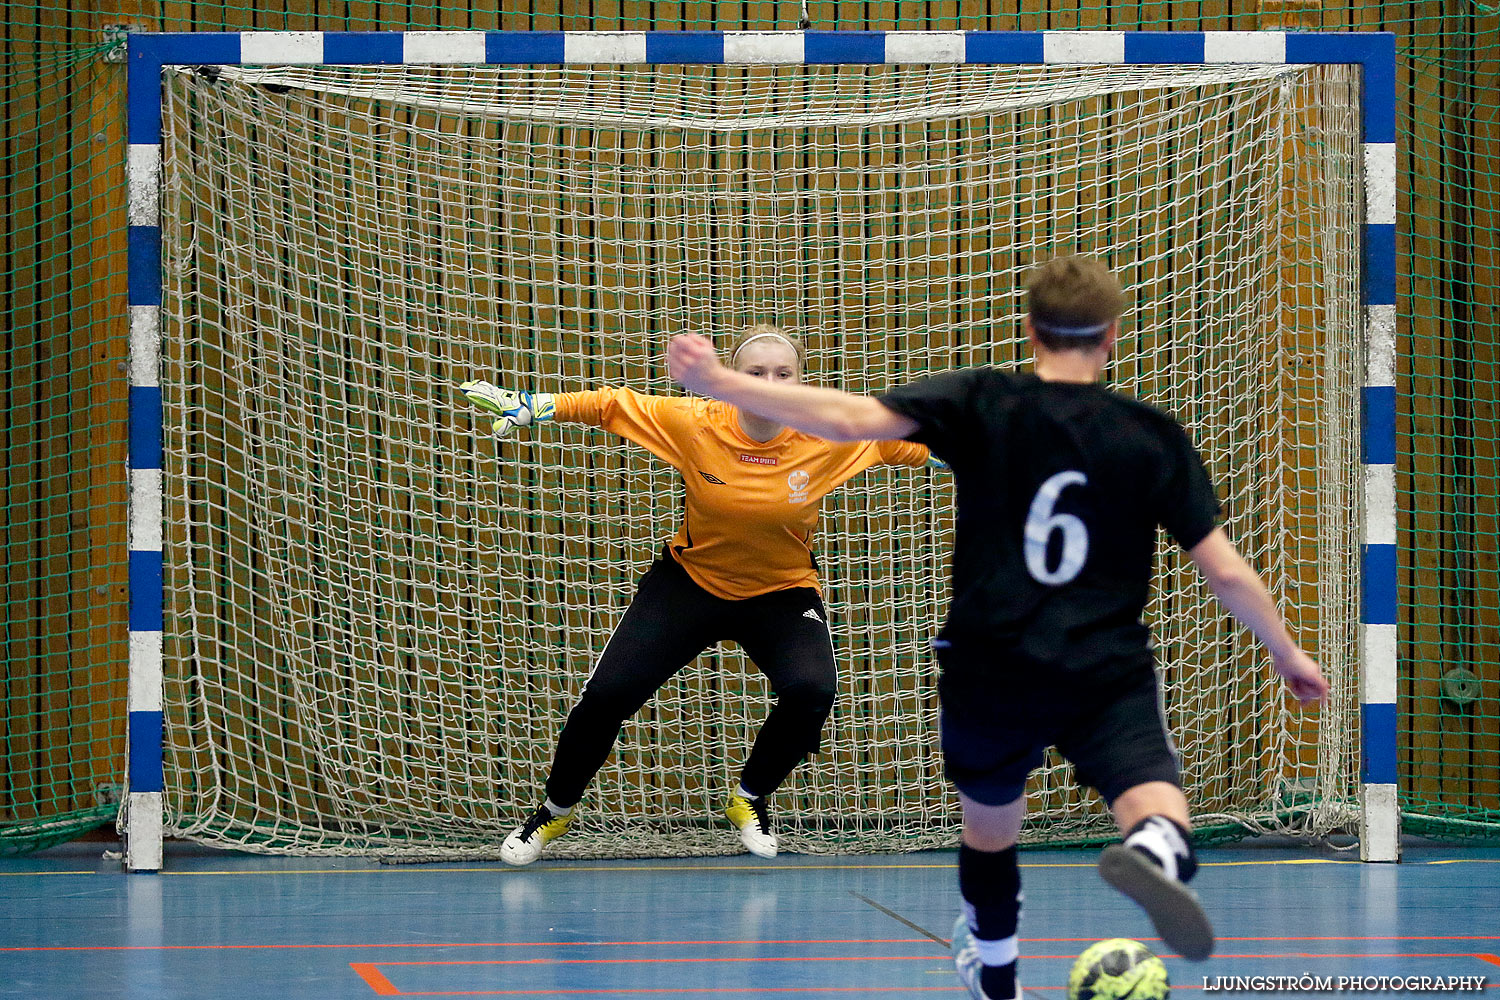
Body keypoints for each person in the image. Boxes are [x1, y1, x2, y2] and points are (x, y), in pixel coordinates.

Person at [667, 256, 1329, 999]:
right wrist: (1286, 652)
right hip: (1103, 665)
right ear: (1111, 335)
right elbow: (1227, 572)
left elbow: (850, 420)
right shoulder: (1150, 434)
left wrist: (721, 383)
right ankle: (1158, 848)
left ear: (1030, 330)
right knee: (1147, 789)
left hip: (990, 662)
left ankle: (997, 966)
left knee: (991, 825)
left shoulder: (983, 400)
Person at [459, 324, 932, 866]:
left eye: (783, 374)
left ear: (800, 382)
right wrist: (535, 405)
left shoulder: (835, 432)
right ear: (732, 378)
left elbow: (923, 448)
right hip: (689, 585)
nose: (769, 383)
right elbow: (614, 405)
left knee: (813, 688)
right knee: (608, 695)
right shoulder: (698, 422)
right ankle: (553, 811)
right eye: (755, 373)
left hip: (780, 591)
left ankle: (749, 798)